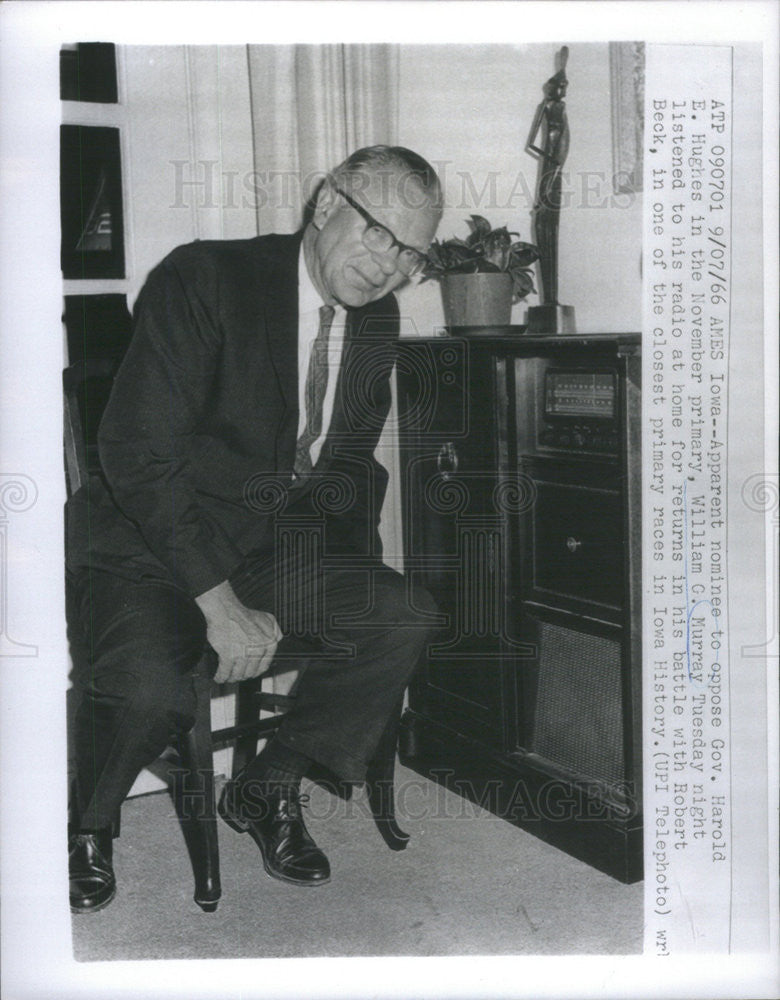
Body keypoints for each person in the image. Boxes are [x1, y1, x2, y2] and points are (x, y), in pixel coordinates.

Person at [66, 145, 443, 912]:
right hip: (152, 543)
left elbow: (351, 470)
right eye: (378, 232)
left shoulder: (377, 321)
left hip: (275, 546)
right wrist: (218, 603)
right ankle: (89, 824)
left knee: (401, 615)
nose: (387, 264)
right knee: (146, 687)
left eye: (409, 252)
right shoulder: (206, 277)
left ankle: (265, 791)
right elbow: (137, 455)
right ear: (327, 202)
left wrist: (352, 593)